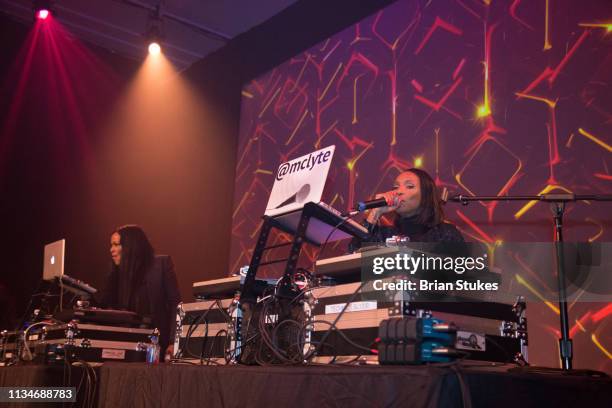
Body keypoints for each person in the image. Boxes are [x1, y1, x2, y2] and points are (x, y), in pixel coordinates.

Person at [98, 225, 181, 361]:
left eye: (116, 244)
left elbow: (176, 305)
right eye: (111, 245)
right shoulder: (115, 275)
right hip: (126, 346)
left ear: (131, 246)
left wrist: (173, 342)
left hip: (157, 345)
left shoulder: (161, 265)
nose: (111, 250)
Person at [351, 168, 464, 250]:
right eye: (395, 187)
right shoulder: (383, 234)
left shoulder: (445, 234)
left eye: (409, 186)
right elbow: (352, 255)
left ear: (426, 195)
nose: (398, 191)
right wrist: (375, 212)